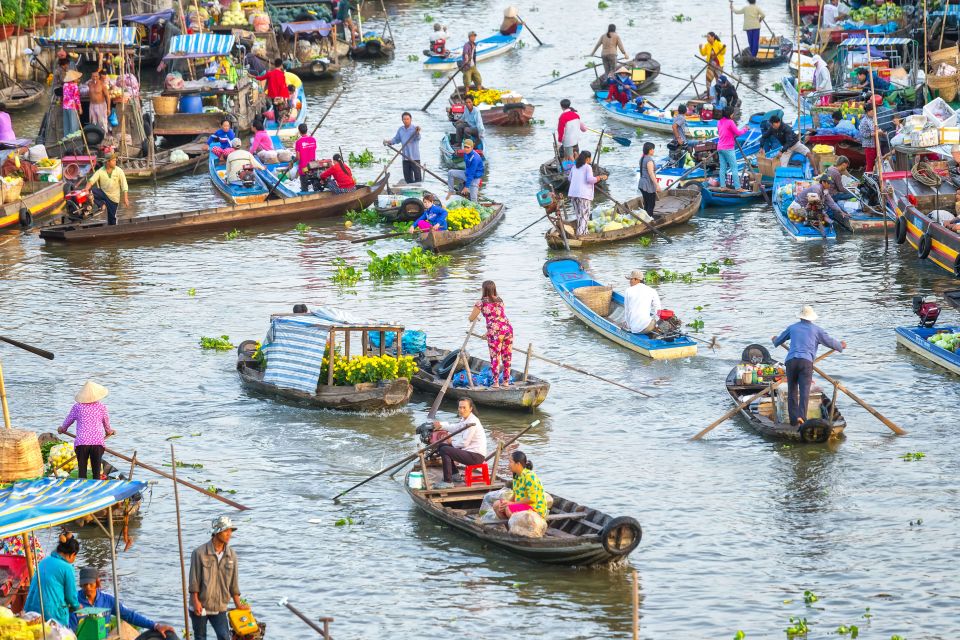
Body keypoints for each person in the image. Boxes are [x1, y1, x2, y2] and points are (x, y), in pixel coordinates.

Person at [771, 306, 846, 427]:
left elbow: (777, 341)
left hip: (791, 361)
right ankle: (802, 417)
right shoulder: (817, 330)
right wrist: (841, 345)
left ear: (800, 316)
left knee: (792, 391)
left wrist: (774, 339)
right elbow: (831, 342)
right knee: (804, 391)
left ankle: (794, 421)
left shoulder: (792, 327)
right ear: (811, 318)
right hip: (806, 362)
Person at [189, 516, 248, 640]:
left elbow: (234, 584)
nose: (229, 534)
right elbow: (194, 581)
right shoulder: (199, 553)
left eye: (230, 531)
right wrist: (196, 602)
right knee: (200, 637)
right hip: (201, 605)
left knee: (224, 637)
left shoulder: (231, 555)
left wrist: (238, 605)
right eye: (226, 531)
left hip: (220, 606)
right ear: (217, 532)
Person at [70, 567, 175, 636]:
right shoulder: (74, 600)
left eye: (91, 584)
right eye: (84, 584)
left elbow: (129, 615)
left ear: (97, 583)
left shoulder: (108, 600)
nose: (87, 587)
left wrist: (155, 625)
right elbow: (70, 628)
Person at [58, 380, 114, 478]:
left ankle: (82, 490)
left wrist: (62, 429)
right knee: (96, 473)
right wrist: (110, 432)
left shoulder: (77, 407)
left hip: (82, 442)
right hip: (97, 443)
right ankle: (96, 489)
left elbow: (68, 420)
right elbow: (107, 425)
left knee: (82, 473)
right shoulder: (102, 407)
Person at [23, 531, 80, 627]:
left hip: (31, 610)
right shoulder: (67, 567)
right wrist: (78, 607)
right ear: (73, 554)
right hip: (51, 615)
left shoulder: (44, 561)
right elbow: (71, 596)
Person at [469, 280, 514, 388]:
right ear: (494, 289)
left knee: (495, 357)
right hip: (508, 329)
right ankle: (506, 382)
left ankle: (496, 383)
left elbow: (471, 318)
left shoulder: (481, 302)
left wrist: (473, 318)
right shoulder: (500, 300)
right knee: (507, 356)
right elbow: (498, 318)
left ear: (484, 289)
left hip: (495, 333)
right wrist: (488, 331)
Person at [433, 398, 486, 485]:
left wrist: (451, 442)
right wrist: (441, 425)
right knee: (441, 446)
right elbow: (455, 427)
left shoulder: (472, 422)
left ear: (470, 408)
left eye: (464, 408)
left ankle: (447, 482)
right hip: (469, 452)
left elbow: (464, 443)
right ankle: (455, 475)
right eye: (460, 407)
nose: (461, 410)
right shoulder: (465, 419)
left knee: (445, 450)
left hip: (476, 456)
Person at [493, 451, 548, 520]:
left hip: (535, 508)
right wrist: (507, 503)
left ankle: (518, 529)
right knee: (497, 505)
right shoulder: (516, 476)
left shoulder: (529, 476)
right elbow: (515, 494)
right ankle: (509, 528)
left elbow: (532, 499)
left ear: (518, 464)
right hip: (521, 505)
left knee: (509, 509)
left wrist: (512, 504)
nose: (508, 465)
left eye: (510, 462)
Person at [567, 150, 607, 235]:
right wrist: (600, 177)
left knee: (579, 215)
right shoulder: (587, 167)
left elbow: (569, 179)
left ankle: (579, 232)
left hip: (573, 194)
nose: (591, 159)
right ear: (587, 159)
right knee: (584, 216)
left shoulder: (574, 167)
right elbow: (589, 180)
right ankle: (582, 235)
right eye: (590, 158)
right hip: (583, 195)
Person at [85, 155, 129, 226]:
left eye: (115, 160)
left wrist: (125, 198)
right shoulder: (101, 171)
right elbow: (91, 180)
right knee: (90, 191)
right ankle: (101, 204)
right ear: (108, 162)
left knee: (112, 219)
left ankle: (113, 230)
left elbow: (124, 185)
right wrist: (86, 190)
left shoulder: (119, 171)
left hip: (114, 198)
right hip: (103, 193)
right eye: (113, 161)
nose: (115, 162)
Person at [384, 112, 422, 184]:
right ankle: (410, 191)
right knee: (407, 178)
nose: (406, 120)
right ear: (402, 120)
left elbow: (418, 138)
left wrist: (417, 132)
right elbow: (396, 139)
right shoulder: (401, 129)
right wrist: (389, 142)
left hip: (415, 158)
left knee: (418, 179)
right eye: (404, 119)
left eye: (407, 119)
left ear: (411, 120)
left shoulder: (415, 129)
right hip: (405, 158)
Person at [717, 107, 749, 191]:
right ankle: (738, 187)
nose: (733, 115)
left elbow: (722, 132)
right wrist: (746, 129)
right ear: (730, 114)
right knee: (734, 167)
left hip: (720, 147)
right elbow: (738, 132)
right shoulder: (730, 122)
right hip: (728, 148)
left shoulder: (719, 122)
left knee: (722, 167)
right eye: (732, 113)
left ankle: (722, 186)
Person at [623, 269, 662, 334]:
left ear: (637, 279)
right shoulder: (652, 291)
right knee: (654, 319)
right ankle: (656, 331)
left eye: (631, 279)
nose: (629, 282)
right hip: (648, 327)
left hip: (634, 329)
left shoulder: (628, 290)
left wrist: (629, 325)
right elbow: (658, 309)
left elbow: (627, 310)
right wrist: (658, 324)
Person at [255, 59, 291, 128]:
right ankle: (281, 120)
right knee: (281, 108)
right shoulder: (282, 74)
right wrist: (285, 95)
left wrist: (253, 76)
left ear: (274, 65)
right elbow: (283, 85)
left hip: (273, 95)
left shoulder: (269, 73)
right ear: (281, 65)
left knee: (275, 108)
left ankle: (277, 121)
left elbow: (261, 78)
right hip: (280, 94)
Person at [859, 101, 885, 172]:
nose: (874, 112)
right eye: (873, 111)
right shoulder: (864, 121)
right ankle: (868, 179)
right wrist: (876, 133)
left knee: (876, 163)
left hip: (875, 144)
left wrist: (880, 132)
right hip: (869, 146)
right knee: (870, 164)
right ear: (868, 111)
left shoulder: (873, 119)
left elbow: (875, 129)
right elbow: (864, 134)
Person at [293, 123, 318, 192]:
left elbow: (297, 157)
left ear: (299, 131)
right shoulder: (313, 139)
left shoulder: (298, 142)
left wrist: (292, 162)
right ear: (307, 130)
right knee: (315, 186)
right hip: (313, 167)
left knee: (304, 189)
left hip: (304, 168)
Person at [638, 142, 661, 215]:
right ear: (650, 150)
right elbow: (651, 174)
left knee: (646, 203)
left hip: (641, 183)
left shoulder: (642, 158)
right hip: (647, 185)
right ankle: (649, 220)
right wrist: (657, 185)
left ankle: (645, 218)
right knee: (651, 204)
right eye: (653, 149)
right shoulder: (649, 161)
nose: (654, 151)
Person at [62, 69, 83, 137]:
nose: (78, 80)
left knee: (67, 125)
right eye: (77, 78)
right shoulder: (75, 86)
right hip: (72, 106)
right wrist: (80, 108)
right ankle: (73, 140)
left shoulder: (65, 85)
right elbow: (76, 98)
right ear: (74, 79)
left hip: (65, 106)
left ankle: (66, 139)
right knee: (73, 125)